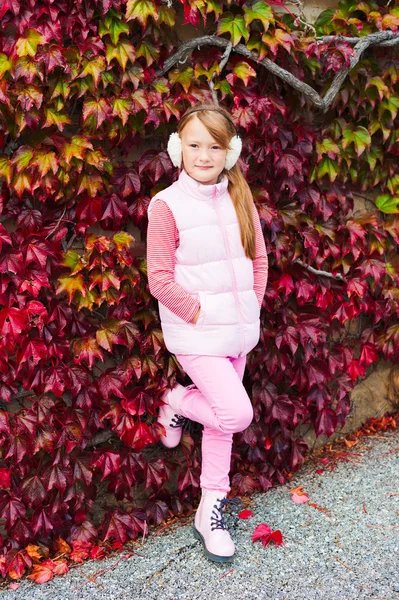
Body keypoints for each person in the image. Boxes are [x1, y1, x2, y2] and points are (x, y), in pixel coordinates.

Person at [146, 102, 268, 563]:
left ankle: (209, 508)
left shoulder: (241, 196)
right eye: (194, 144)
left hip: (239, 332)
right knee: (235, 414)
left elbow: (259, 258)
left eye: (214, 146)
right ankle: (175, 401)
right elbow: (159, 278)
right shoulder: (167, 205)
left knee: (221, 427)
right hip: (196, 336)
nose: (203, 155)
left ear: (229, 151)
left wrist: (252, 302)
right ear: (179, 149)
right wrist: (198, 312)